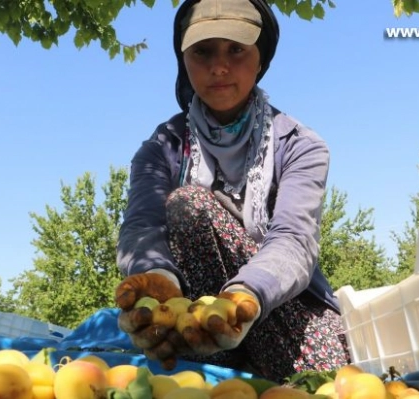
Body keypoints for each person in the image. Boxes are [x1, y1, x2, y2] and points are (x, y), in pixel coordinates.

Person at [115, 0, 351, 383]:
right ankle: (218, 370)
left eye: (237, 49)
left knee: (325, 384)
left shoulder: (300, 146)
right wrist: (158, 281)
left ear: (261, 59)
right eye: (202, 51)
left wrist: (244, 297)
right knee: (187, 206)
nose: (219, 67)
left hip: (283, 315)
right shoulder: (161, 148)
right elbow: (142, 227)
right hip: (193, 321)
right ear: (184, 59)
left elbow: (294, 239)